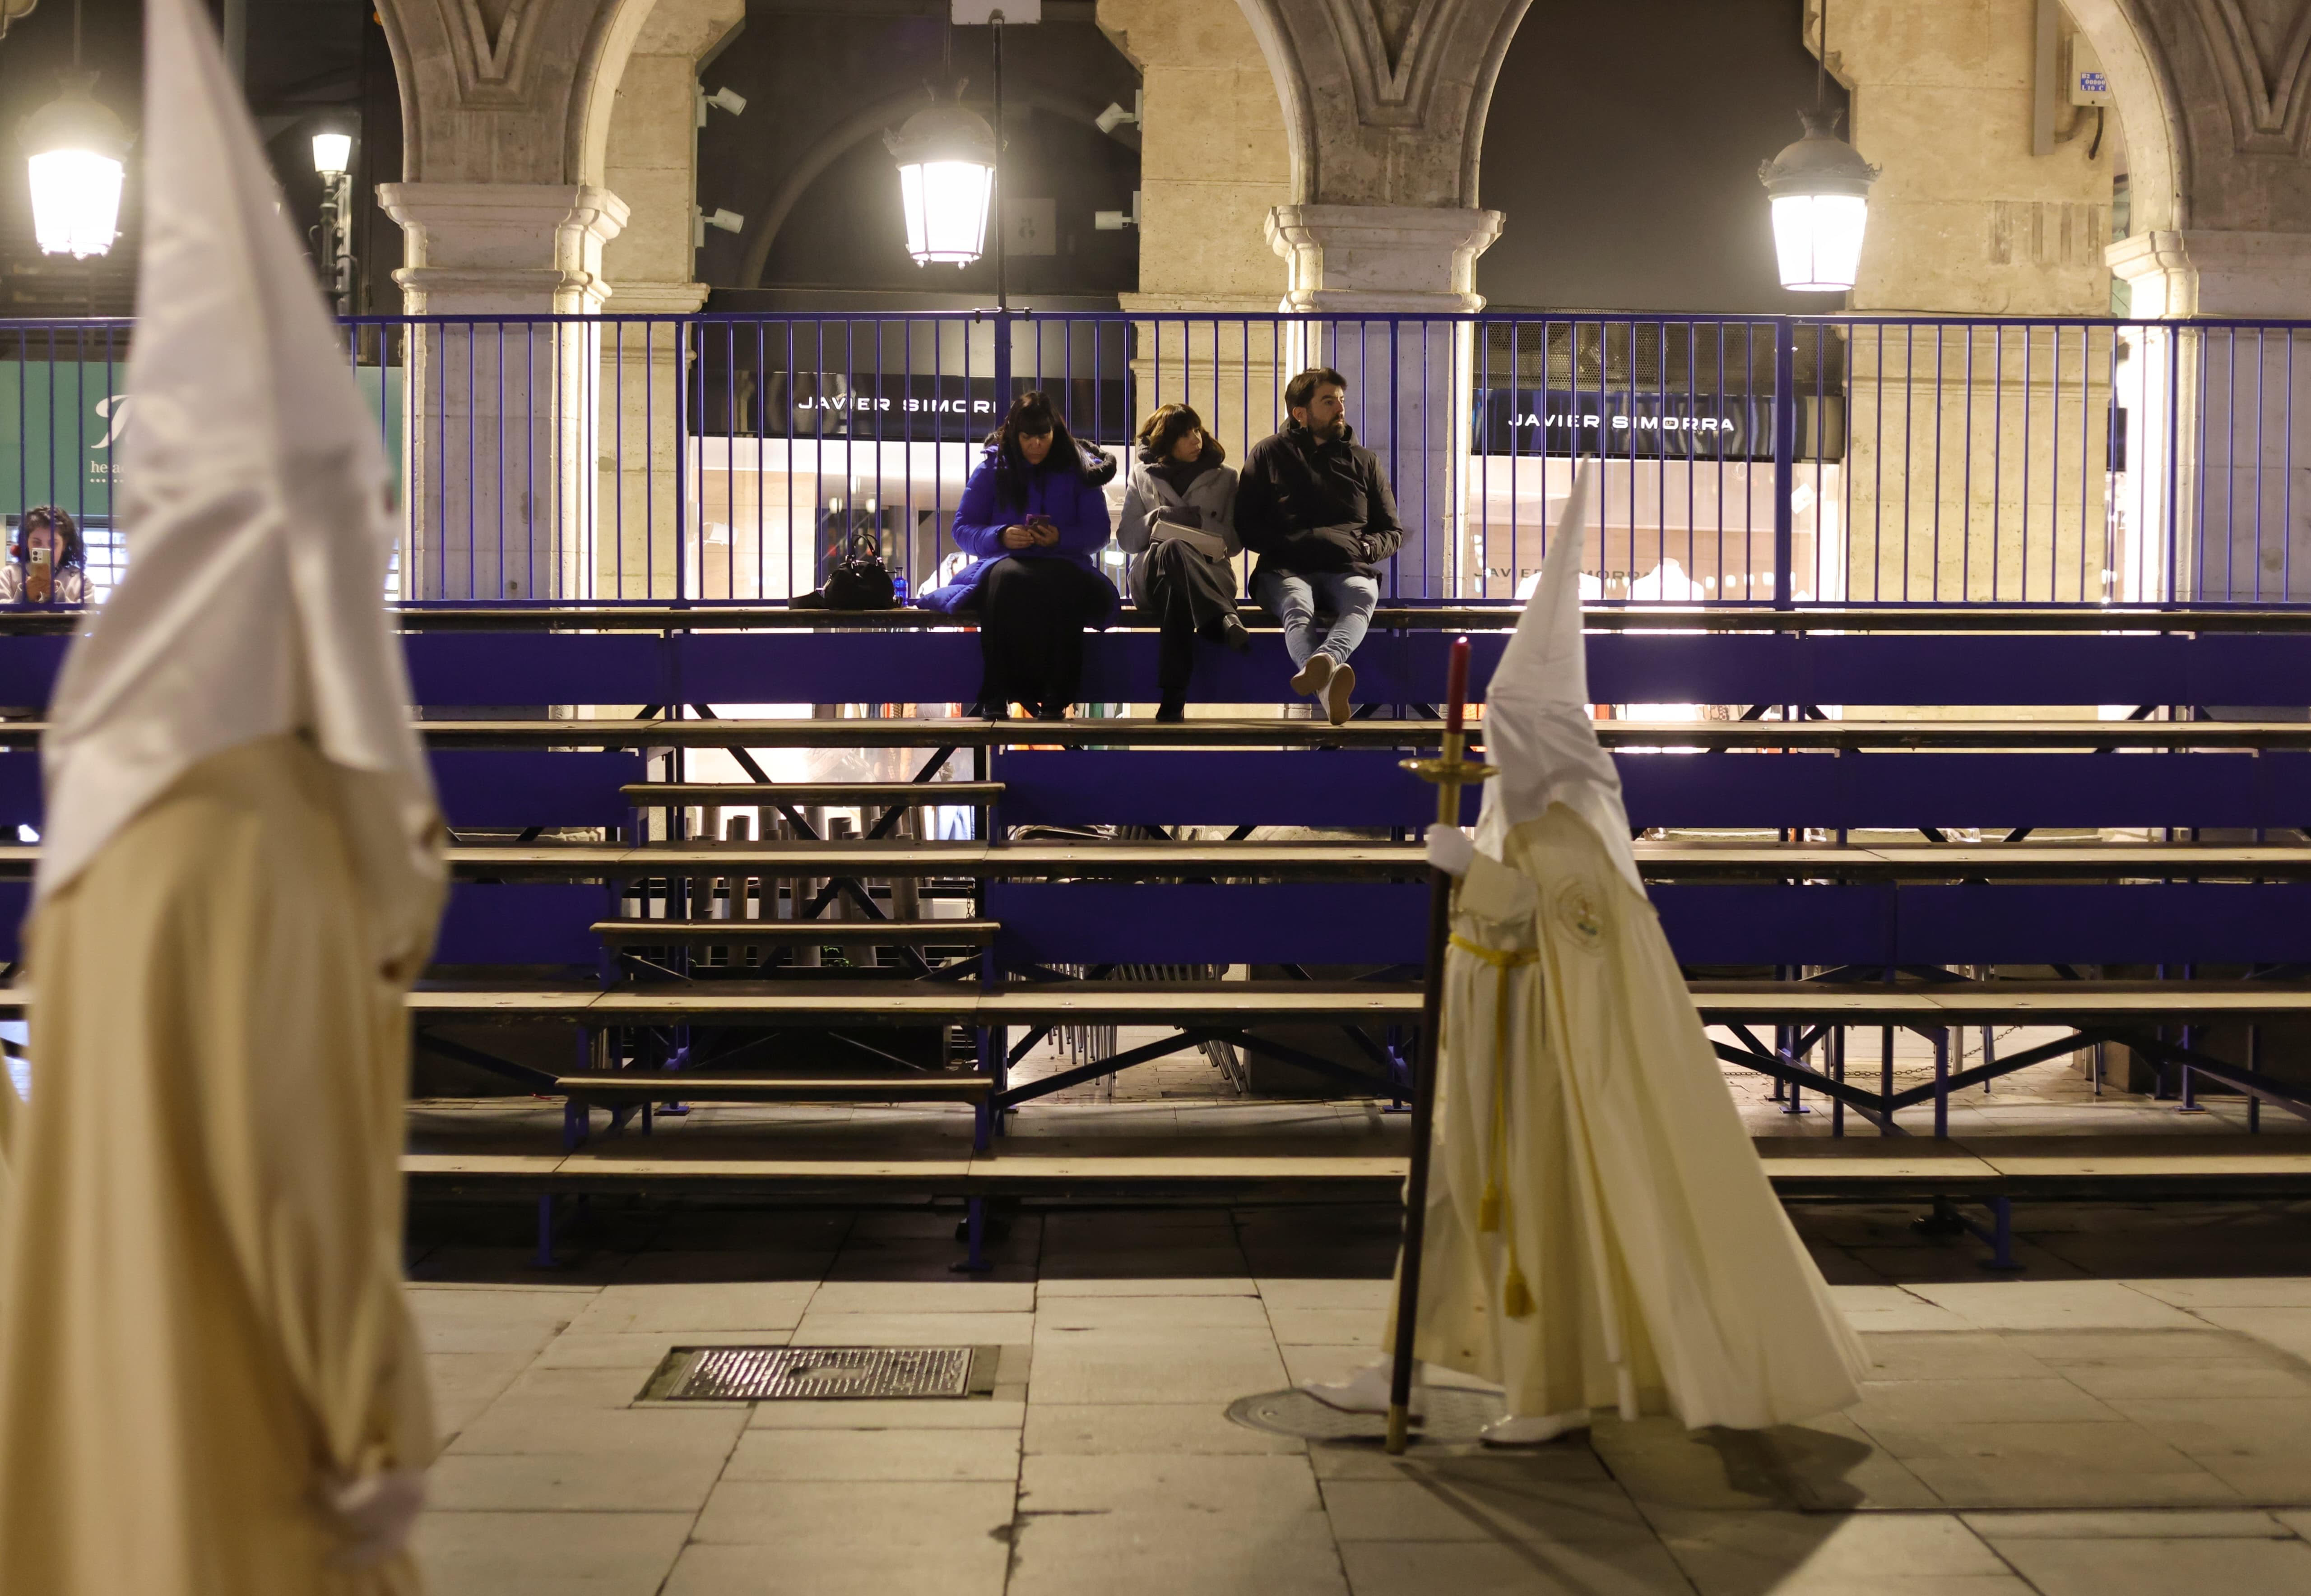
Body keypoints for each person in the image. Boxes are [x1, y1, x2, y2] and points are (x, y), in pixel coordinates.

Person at [0, 0, 446, 1584]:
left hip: (93, 1439)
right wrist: (377, 1423)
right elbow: (299, 1176)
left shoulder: (113, 820)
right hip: (248, 1461)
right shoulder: (268, 829)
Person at [1304, 468, 1864, 1445]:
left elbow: (1564, 934)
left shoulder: (1568, 830)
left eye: (1510, 729)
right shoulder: (1514, 814)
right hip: (1484, 1051)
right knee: (1442, 1200)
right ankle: (1404, 1363)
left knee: (1534, 1216)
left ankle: (1551, 1389)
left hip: (1545, 1069)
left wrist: (1466, 876)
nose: (1495, 743)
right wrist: (1469, 868)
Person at [920, 391, 1120, 719]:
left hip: (1064, 563)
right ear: (1016, 434)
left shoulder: (1078, 470)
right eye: (1028, 437)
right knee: (1006, 578)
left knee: (1062, 584)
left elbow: (1098, 532)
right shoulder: (992, 468)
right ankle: (997, 696)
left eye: (1043, 436)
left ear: (1055, 433)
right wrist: (1000, 535)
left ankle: (1056, 698)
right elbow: (963, 529)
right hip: (1003, 563)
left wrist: (1061, 538)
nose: (1036, 445)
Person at [1234, 366, 1402, 725]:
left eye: (1341, 400)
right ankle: (1328, 686)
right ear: (1301, 413)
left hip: (1348, 567)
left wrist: (1369, 549)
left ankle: (1326, 662)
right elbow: (1245, 524)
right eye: (1329, 401)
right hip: (1285, 569)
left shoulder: (1365, 462)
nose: (1340, 409)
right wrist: (1287, 546)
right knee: (1297, 607)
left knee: (1362, 597)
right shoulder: (1268, 454)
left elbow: (1392, 530)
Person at [1118, 403, 1247, 721]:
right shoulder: (1141, 475)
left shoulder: (1226, 477)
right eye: (1185, 435)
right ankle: (1222, 617)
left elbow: (1234, 543)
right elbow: (1127, 540)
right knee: (1173, 547)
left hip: (1209, 574)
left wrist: (1198, 525)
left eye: (1197, 431)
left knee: (1180, 585)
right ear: (1166, 440)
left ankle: (1173, 698)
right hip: (1152, 577)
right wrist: (1157, 517)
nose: (1196, 440)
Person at [0, 505, 91, 605]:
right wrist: (24, 598)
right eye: (37, 543)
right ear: (27, 543)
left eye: (53, 544)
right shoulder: (8, 576)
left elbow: (90, 618)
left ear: (64, 544)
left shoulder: (80, 581)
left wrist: (58, 597)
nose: (45, 549)